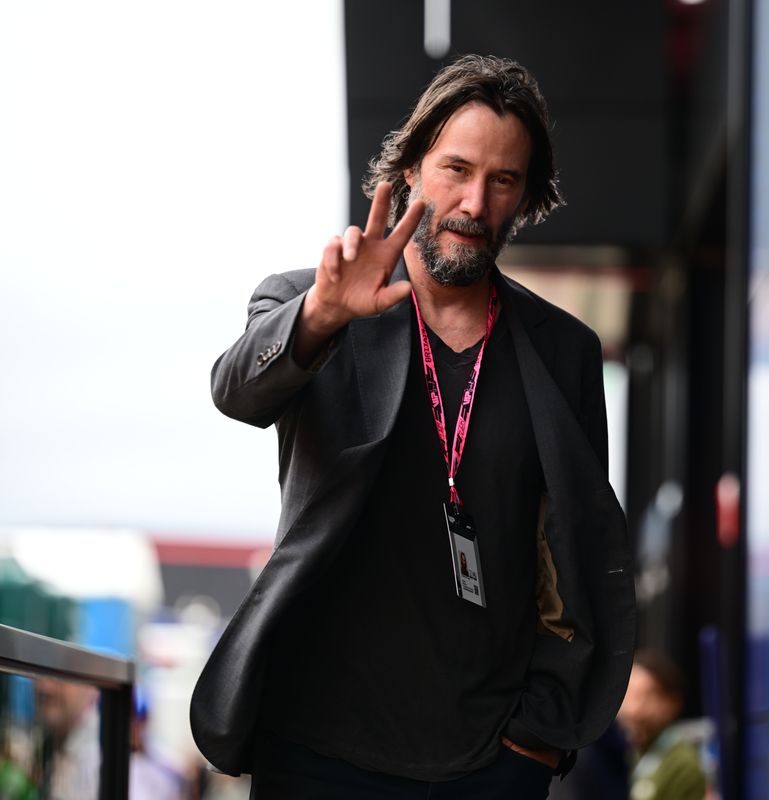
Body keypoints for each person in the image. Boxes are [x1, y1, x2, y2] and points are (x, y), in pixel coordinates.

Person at [190, 54, 635, 798]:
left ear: (524, 198)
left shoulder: (564, 352)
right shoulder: (310, 300)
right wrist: (321, 318)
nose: (473, 202)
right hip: (312, 745)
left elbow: (576, 551)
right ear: (410, 172)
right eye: (456, 169)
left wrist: (534, 739)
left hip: (484, 760)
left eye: (503, 181)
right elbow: (236, 391)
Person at [615, 652, 706, 800]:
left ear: (673, 703)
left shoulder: (682, 764)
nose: (633, 709)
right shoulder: (619, 751)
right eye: (628, 695)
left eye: (646, 697)